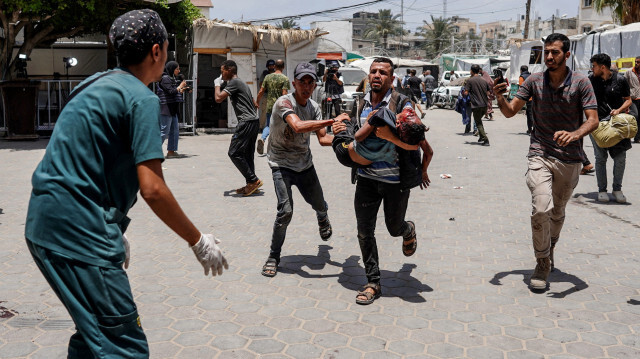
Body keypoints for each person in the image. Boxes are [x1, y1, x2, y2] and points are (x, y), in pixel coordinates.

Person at [24, 10, 228, 358]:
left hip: (44, 223)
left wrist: (113, 225)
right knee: (124, 345)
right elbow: (153, 189)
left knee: (93, 336)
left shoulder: (93, 84)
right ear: (156, 51)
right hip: (79, 234)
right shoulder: (141, 98)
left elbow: (83, 158)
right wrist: (198, 241)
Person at [493, 33, 599, 291]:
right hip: (540, 152)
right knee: (541, 208)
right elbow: (509, 112)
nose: (549, 57)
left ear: (567, 55)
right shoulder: (533, 81)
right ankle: (542, 261)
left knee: (557, 212)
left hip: (570, 159)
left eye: (555, 52)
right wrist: (499, 97)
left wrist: (574, 134)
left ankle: (549, 249)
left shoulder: (581, 82)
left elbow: (593, 119)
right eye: (546, 52)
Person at [332, 57, 432, 305]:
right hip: (366, 178)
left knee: (393, 227)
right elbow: (354, 134)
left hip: (395, 181)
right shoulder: (359, 103)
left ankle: (407, 230)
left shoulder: (402, 104)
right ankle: (373, 282)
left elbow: (417, 144)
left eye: (383, 73)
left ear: (392, 78)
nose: (377, 76)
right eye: (373, 72)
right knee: (364, 232)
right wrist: (340, 126)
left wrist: (390, 136)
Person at [261, 62, 349, 277]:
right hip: (280, 164)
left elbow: (323, 139)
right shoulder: (283, 102)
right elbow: (298, 126)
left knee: (319, 204)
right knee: (285, 211)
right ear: (294, 83)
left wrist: (348, 140)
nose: (307, 86)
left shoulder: (315, 107)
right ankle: (274, 255)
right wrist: (333, 120)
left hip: (304, 164)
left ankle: (322, 216)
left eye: (311, 82)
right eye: (303, 82)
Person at [588, 53, 633, 203]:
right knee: (600, 158)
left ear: (603, 67)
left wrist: (618, 110)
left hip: (617, 125)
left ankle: (617, 189)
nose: (591, 69)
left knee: (620, 158)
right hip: (597, 125)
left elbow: (628, 101)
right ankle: (602, 190)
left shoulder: (620, 80)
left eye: (594, 66)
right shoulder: (591, 80)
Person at [215, 60, 263, 196]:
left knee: (234, 153)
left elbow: (218, 98)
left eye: (222, 70)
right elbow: (254, 103)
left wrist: (217, 85)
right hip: (253, 121)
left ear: (230, 70)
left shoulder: (234, 83)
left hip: (246, 122)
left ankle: (254, 180)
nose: (221, 73)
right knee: (247, 155)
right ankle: (252, 184)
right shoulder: (241, 82)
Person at [255, 59, 289, 155]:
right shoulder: (284, 78)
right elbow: (284, 94)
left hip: (270, 105)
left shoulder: (268, 77)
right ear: (283, 67)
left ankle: (262, 139)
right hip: (280, 106)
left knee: (268, 125)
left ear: (275, 66)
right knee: (282, 126)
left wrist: (257, 101)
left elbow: (261, 91)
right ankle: (279, 148)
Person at [156, 61, 188, 158]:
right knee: (164, 131)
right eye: (177, 69)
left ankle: (171, 152)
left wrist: (181, 90)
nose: (179, 70)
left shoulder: (171, 78)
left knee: (174, 130)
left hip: (172, 108)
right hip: (166, 108)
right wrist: (180, 87)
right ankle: (152, 152)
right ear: (171, 69)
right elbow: (170, 91)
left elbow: (174, 92)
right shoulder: (165, 78)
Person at [466, 64, 491, 146]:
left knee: (478, 123)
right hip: (484, 105)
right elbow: (488, 92)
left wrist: (463, 92)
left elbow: (466, 93)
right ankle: (481, 137)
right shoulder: (484, 80)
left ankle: (486, 140)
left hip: (476, 105)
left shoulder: (470, 81)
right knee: (479, 121)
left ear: (472, 71)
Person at [624, 56, 640, 143]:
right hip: (632, 98)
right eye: (636, 62)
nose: (636, 63)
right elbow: (624, 84)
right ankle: (628, 135)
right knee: (635, 116)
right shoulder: (629, 72)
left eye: (638, 62)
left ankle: (637, 138)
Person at [519, 65, 534, 134]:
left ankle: (532, 129)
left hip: (529, 99)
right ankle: (530, 129)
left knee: (529, 114)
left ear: (521, 70)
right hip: (535, 98)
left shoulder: (522, 77)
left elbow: (521, 88)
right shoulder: (531, 76)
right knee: (532, 114)